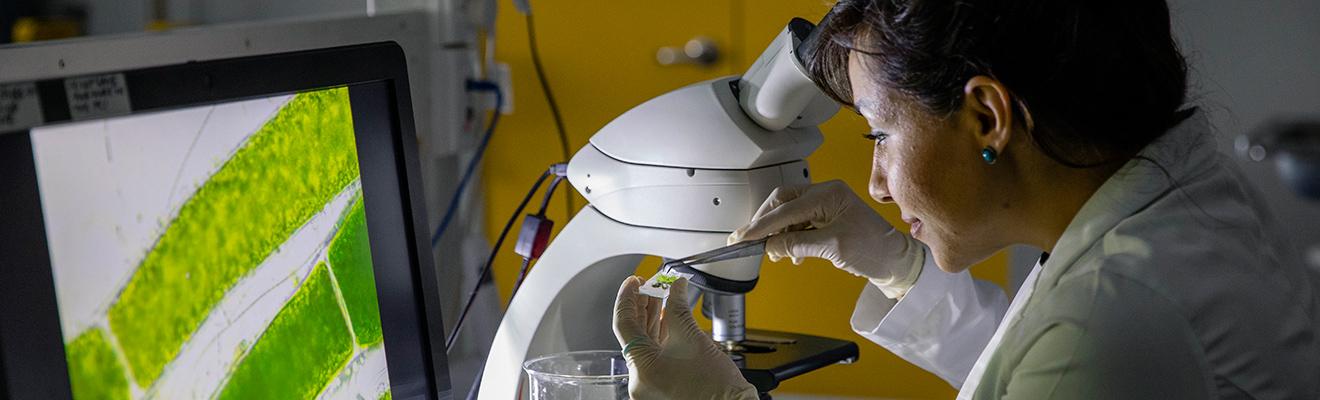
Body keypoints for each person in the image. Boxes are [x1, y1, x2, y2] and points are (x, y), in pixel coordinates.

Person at [611, 0, 1320, 398]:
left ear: (986, 117)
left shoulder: (1113, 318)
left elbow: (1076, 354)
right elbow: (1024, 367)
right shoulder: (1176, 197)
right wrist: (899, 268)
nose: (875, 183)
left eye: (879, 135)